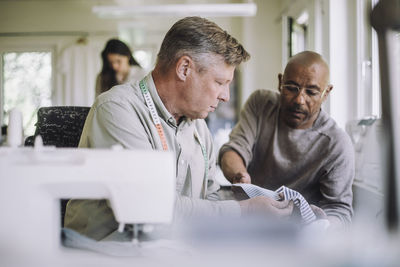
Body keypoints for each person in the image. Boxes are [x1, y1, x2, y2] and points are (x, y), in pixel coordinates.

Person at [65, 16, 294, 241]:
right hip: (110, 255)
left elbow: (210, 199)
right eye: (220, 82)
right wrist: (245, 211)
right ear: (184, 68)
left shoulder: (199, 129)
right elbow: (152, 210)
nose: (225, 96)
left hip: (173, 252)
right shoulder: (117, 109)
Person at [219, 51, 355, 229]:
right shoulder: (261, 104)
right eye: (291, 88)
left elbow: (340, 210)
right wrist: (240, 177)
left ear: (326, 93)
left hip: (296, 234)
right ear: (279, 82)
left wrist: (322, 229)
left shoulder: (336, 144)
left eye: (311, 92)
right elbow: (234, 149)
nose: (299, 100)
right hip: (249, 218)